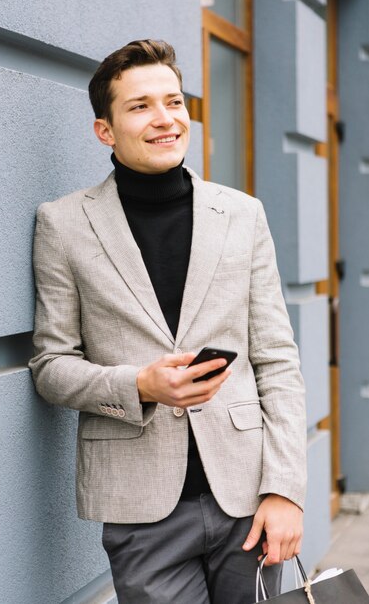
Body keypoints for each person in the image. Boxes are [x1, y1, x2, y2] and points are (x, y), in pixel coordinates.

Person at [29, 39, 307, 604]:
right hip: (140, 506)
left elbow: (277, 359)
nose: (165, 120)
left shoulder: (242, 214)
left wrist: (286, 490)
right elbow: (50, 366)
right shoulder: (63, 224)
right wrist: (137, 384)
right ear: (105, 129)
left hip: (247, 496)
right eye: (140, 107)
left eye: (174, 102)